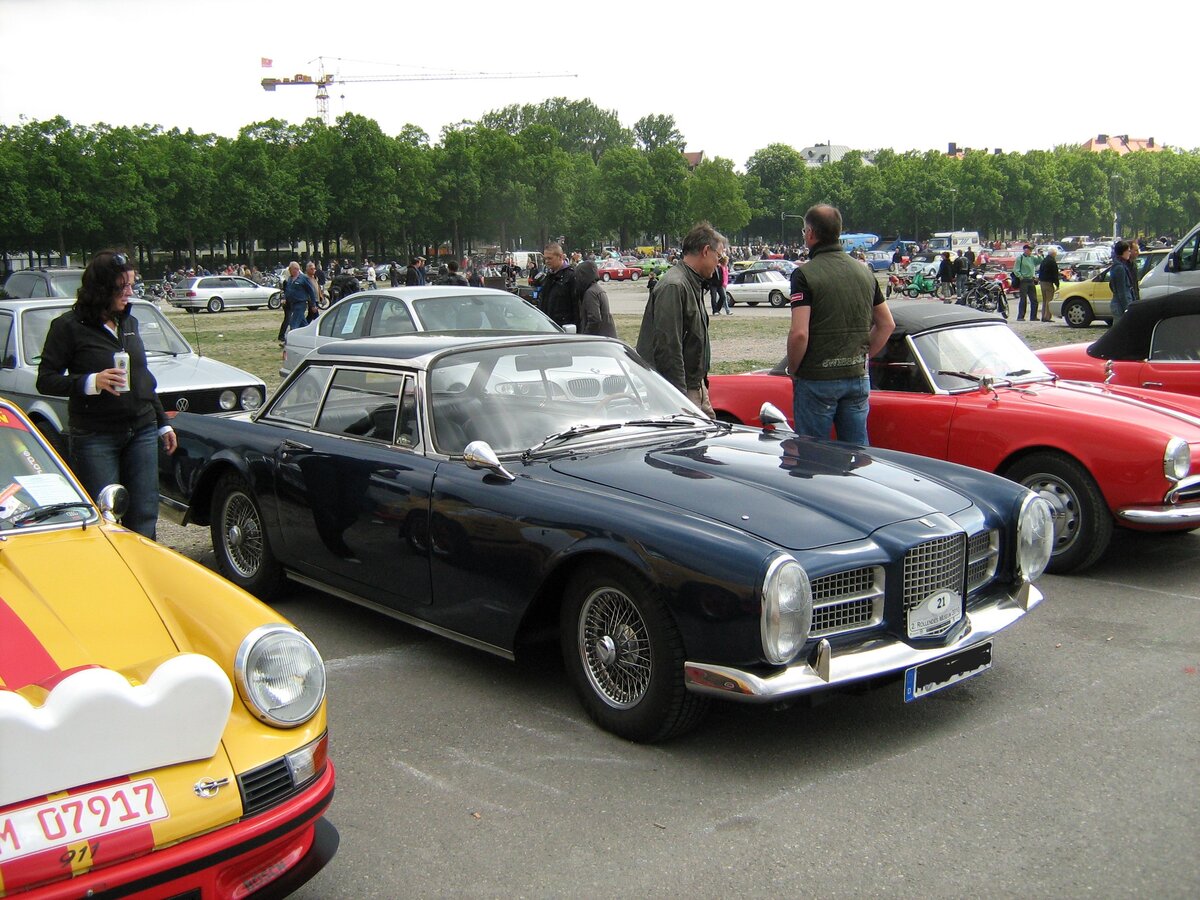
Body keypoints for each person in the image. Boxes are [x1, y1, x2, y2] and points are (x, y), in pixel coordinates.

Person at [36, 251, 177, 539]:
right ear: (101, 289)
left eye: (131, 285)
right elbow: (46, 381)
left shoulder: (129, 323)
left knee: (144, 512)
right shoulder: (68, 327)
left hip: (141, 430)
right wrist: (91, 381)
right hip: (95, 435)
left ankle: (144, 573)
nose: (129, 293)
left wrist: (162, 422)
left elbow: (143, 379)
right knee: (104, 516)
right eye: (122, 287)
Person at [786, 204, 895, 446]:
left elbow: (800, 334)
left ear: (811, 233)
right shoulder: (865, 272)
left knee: (813, 456)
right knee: (857, 453)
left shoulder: (804, 275)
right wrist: (863, 355)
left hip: (817, 378)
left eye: (804, 232)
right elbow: (886, 324)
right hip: (856, 375)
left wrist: (794, 370)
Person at [635, 221, 725, 417]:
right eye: (718, 256)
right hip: (679, 392)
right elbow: (668, 348)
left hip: (694, 386)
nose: (719, 263)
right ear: (705, 251)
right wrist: (679, 400)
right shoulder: (675, 286)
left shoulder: (692, 283)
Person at [537, 243, 577, 329]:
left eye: (550, 258)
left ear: (560, 257)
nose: (547, 261)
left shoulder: (571, 277)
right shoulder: (548, 276)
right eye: (545, 258)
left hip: (564, 328)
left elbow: (576, 306)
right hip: (547, 325)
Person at [573, 261, 618, 337]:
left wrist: (585, 337)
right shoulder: (598, 289)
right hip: (607, 336)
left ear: (584, 276)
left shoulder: (590, 293)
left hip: (599, 338)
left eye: (578, 276)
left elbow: (594, 320)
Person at [283, 261, 317, 335]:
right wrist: (284, 298)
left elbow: (311, 291)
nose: (289, 271)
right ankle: (310, 336)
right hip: (292, 304)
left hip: (300, 304)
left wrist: (313, 304)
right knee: (303, 324)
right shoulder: (290, 279)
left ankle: (288, 340)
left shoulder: (303, 278)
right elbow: (287, 290)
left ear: (296, 269)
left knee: (293, 323)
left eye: (290, 269)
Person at [1109, 240, 1135, 323]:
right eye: (1128, 251)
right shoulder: (1119, 268)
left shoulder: (1122, 265)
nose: (1129, 253)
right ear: (1123, 252)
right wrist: (1126, 308)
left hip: (1122, 303)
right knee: (1119, 332)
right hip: (1120, 306)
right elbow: (1121, 290)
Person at [1013, 244, 1040, 321]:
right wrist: (1020, 276)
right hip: (1024, 280)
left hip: (1031, 280)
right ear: (1025, 250)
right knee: (1023, 299)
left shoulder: (1032, 258)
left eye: (1031, 250)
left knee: (1034, 299)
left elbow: (1040, 260)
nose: (1030, 252)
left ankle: (1033, 316)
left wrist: (1038, 253)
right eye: (1028, 250)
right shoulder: (1020, 258)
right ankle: (1021, 316)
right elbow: (1016, 269)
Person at [1037, 248, 1060, 322]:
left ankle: (1043, 316)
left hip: (1042, 282)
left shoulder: (1044, 260)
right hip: (1048, 282)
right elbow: (1055, 274)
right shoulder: (1052, 261)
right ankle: (1047, 317)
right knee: (1049, 300)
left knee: (1044, 300)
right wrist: (1057, 284)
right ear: (1053, 254)